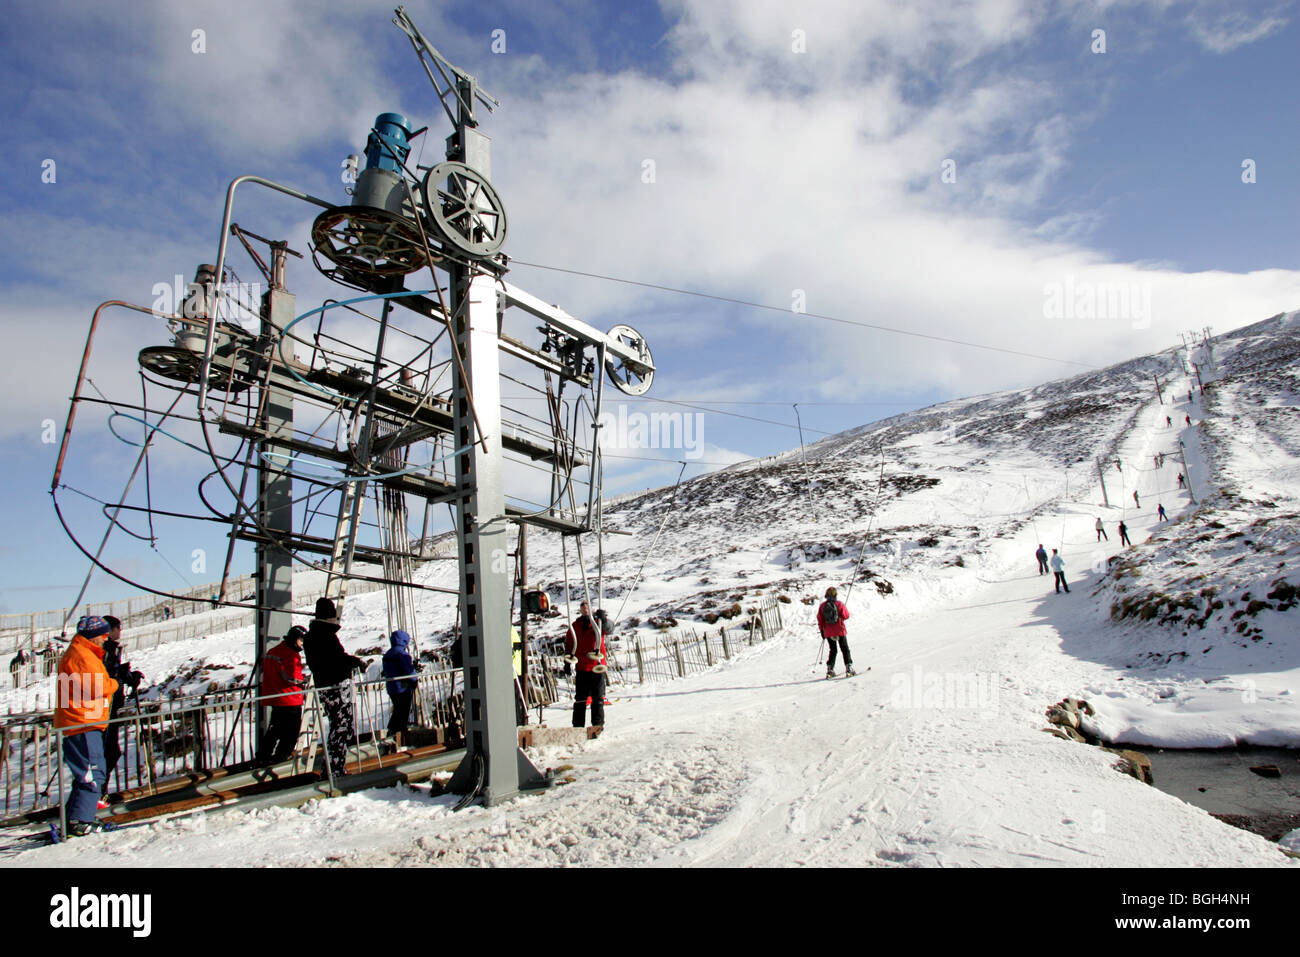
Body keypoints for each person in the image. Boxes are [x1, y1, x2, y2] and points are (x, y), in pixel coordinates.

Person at [54, 616, 120, 837]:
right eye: (103, 634)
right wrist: (115, 682)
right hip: (82, 722)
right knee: (92, 774)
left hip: (82, 720)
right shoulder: (82, 657)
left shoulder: (80, 653)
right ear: (95, 635)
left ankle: (74, 818)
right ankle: (80, 820)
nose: (105, 638)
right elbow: (98, 686)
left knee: (87, 774)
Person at [302, 597, 365, 779]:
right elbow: (336, 659)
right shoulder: (326, 636)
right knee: (342, 726)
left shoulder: (312, 637)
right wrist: (353, 662)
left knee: (337, 725)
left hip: (324, 686)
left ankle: (331, 767)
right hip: (337, 685)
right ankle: (335, 769)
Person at [100, 616, 143, 794]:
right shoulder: (105, 649)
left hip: (112, 705)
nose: (120, 632)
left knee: (111, 752)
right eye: (119, 628)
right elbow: (105, 676)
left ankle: (100, 791)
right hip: (106, 707)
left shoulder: (111, 649)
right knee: (108, 752)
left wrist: (125, 674)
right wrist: (122, 677)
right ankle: (98, 791)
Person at [256, 624, 307, 767]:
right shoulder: (290, 654)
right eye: (301, 640)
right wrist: (304, 680)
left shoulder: (273, 651)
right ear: (295, 639)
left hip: (276, 697)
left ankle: (263, 755)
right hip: (290, 698)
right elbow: (291, 676)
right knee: (291, 732)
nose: (302, 644)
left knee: (275, 729)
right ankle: (282, 756)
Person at [565, 601, 606, 728]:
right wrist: (567, 662)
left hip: (597, 666)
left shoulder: (598, 624)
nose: (585, 608)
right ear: (580, 610)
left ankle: (597, 726)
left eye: (587, 605)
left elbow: (609, 628)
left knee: (597, 699)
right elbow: (569, 645)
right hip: (582, 667)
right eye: (582, 606)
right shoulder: (575, 626)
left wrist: (604, 619)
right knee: (580, 700)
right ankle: (577, 726)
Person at [382, 629, 417, 746]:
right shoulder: (402, 654)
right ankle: (397, 733)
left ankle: (394, 732)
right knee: (402, 710)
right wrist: (414, 680)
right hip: (403, 687)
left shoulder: (388, 654)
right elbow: (408, 671)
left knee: (398, 709)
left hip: (392, 687)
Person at [817, 586, 854, 678]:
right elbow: (846, 616)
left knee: (833, 650)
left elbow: (820, 619)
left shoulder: (822, 606)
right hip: (840, 629)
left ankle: (830, 670)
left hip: (828, 632)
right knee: (844, 649)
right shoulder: (839, 604)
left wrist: (822, 631)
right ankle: (849, 668)